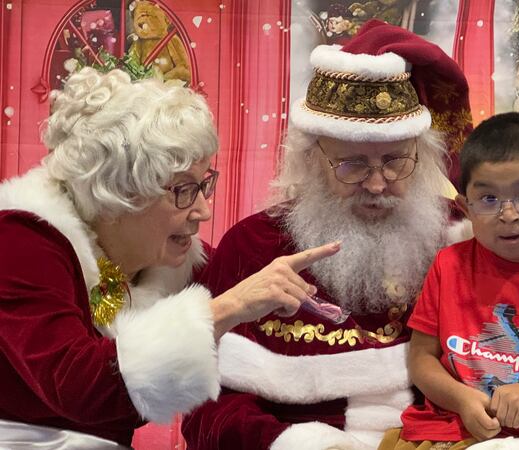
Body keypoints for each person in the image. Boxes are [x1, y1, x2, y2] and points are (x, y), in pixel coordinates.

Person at [0, 67, 340, 448]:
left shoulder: (166, 260)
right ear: (118, 193)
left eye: (203, 185)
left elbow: (249, 277)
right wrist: (228, 308)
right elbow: (78, 385)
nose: (203, 211)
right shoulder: (21, 241)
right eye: (183, 190)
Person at [182, 19, 475, 450]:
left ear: (423, 155)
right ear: (311, 160)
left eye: (396, 161)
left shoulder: (462, 238)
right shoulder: (254, 246)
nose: (377, 184)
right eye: (352, 164)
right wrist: (300, 444)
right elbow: (204, 408)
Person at [394, 112, 519, 450]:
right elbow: (421, 358)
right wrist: (461, 398)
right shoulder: (449, 265)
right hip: (447, 427)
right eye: (489, 199)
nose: (508, 215)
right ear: (466, 207)